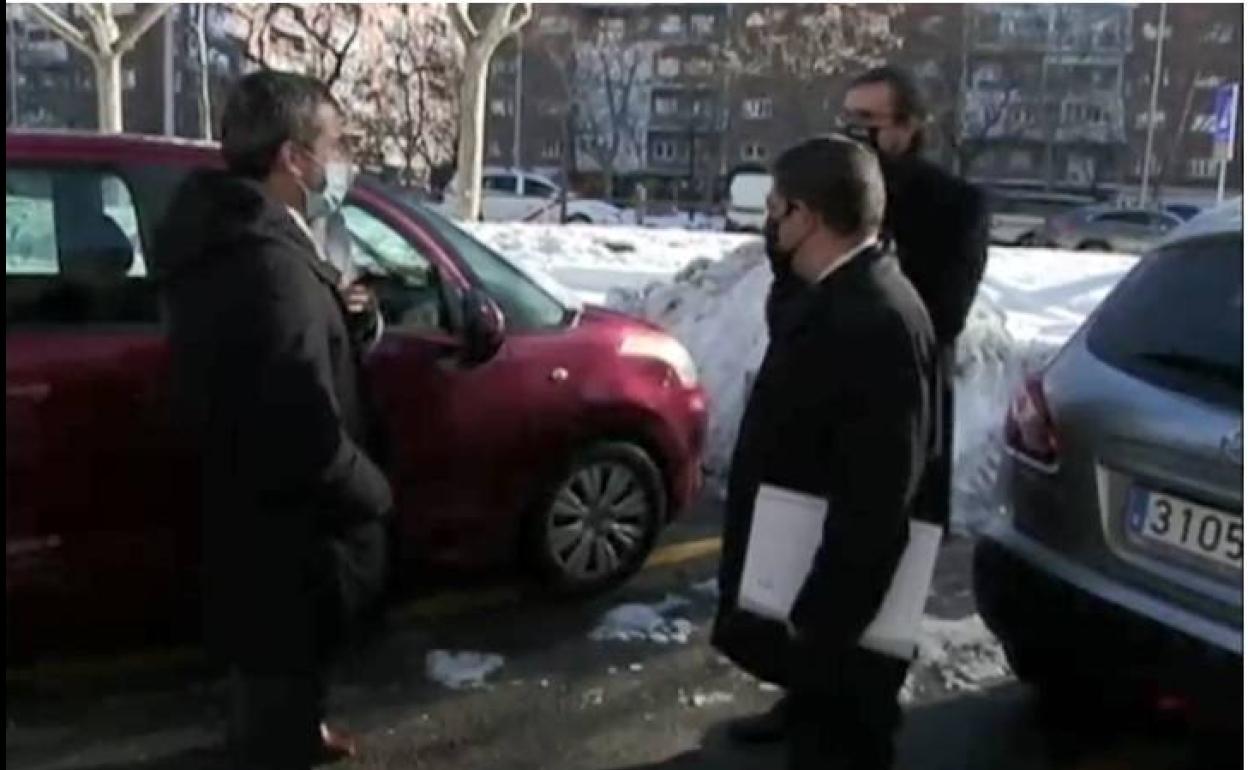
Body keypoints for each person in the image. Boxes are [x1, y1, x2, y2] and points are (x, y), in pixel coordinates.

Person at [725, 65, 989, 746]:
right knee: (810, 571)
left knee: (865, 600)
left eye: (870, 122)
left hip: (889, 399)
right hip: (835, 397)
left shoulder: (951, 208)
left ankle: (852, 716)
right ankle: (806, 694)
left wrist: (861, 235)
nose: (856, 132)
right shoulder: (824, 197)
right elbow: (794, 304)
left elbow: (940, 314)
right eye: (848, 119)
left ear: (911, 127)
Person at [155, 71, 393, 769]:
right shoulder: (267, 266)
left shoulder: (239, 231)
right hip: (289, 527)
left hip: (249, 506)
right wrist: (371, 490)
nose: (342, 161)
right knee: (279, 671)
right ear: (293, 157)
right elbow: (301, 425)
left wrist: (349, 316)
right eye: (335, 144)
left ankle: (297, 732)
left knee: (274, 669)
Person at [713, 136, 936, 769]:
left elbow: (879, 499)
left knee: (839, 747)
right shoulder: (840, 289)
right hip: (804, 571)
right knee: (816, 720)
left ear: (806, 217)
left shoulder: (878, 322)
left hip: (838, 614)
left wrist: (818, 623)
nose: (767, 224)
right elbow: (796, 325)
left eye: (775, 210)